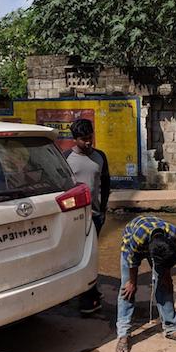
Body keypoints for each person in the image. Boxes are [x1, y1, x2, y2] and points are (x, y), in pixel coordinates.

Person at [117, 215, 176, 352]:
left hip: (158, 244)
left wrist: (166, 276)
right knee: (127, 290)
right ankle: (123, 334)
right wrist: (132, 282)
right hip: (131, 244)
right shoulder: (138, 237)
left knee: (165, 286)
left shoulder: (173, 232)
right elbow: (132, 260)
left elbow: (169, 257)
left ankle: (171, 329)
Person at [66, 118, 110, 315]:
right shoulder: (66, 159)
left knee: (91, 255)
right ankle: (87, 299)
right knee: (83, 256)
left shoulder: (100, 157)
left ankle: (90, 290)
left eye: (90, 137)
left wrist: (104, 209)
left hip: (97, 214)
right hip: (77, 217)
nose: (88, 142)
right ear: (75, 139)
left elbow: (106, 184)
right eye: (84, 139)